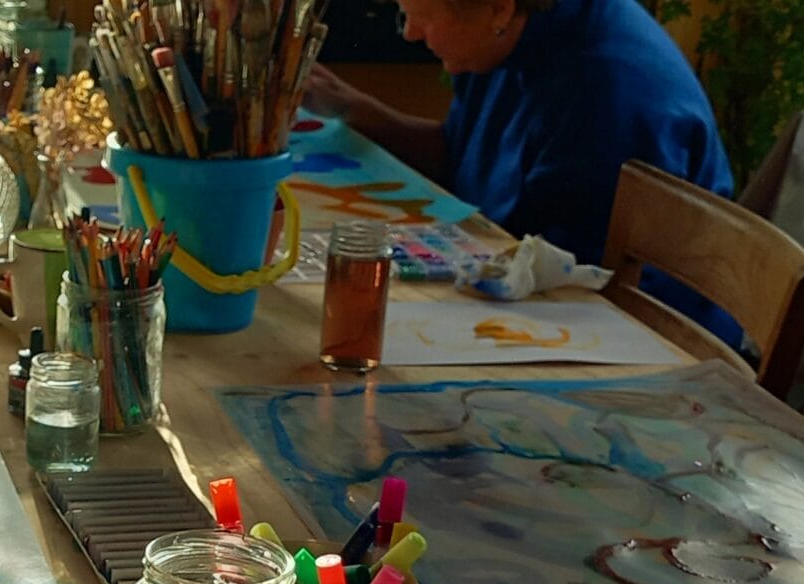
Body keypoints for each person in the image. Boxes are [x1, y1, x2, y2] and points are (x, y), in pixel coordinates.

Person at [303, 0, 735, 337]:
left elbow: (571, 282)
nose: (411, 33)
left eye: (424, 17)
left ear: (499, 10)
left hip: (640, 333)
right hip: (543, 285)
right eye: (404, 13)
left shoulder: (604, 94)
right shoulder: (502, 34)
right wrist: (353, 109)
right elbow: (462, 158)